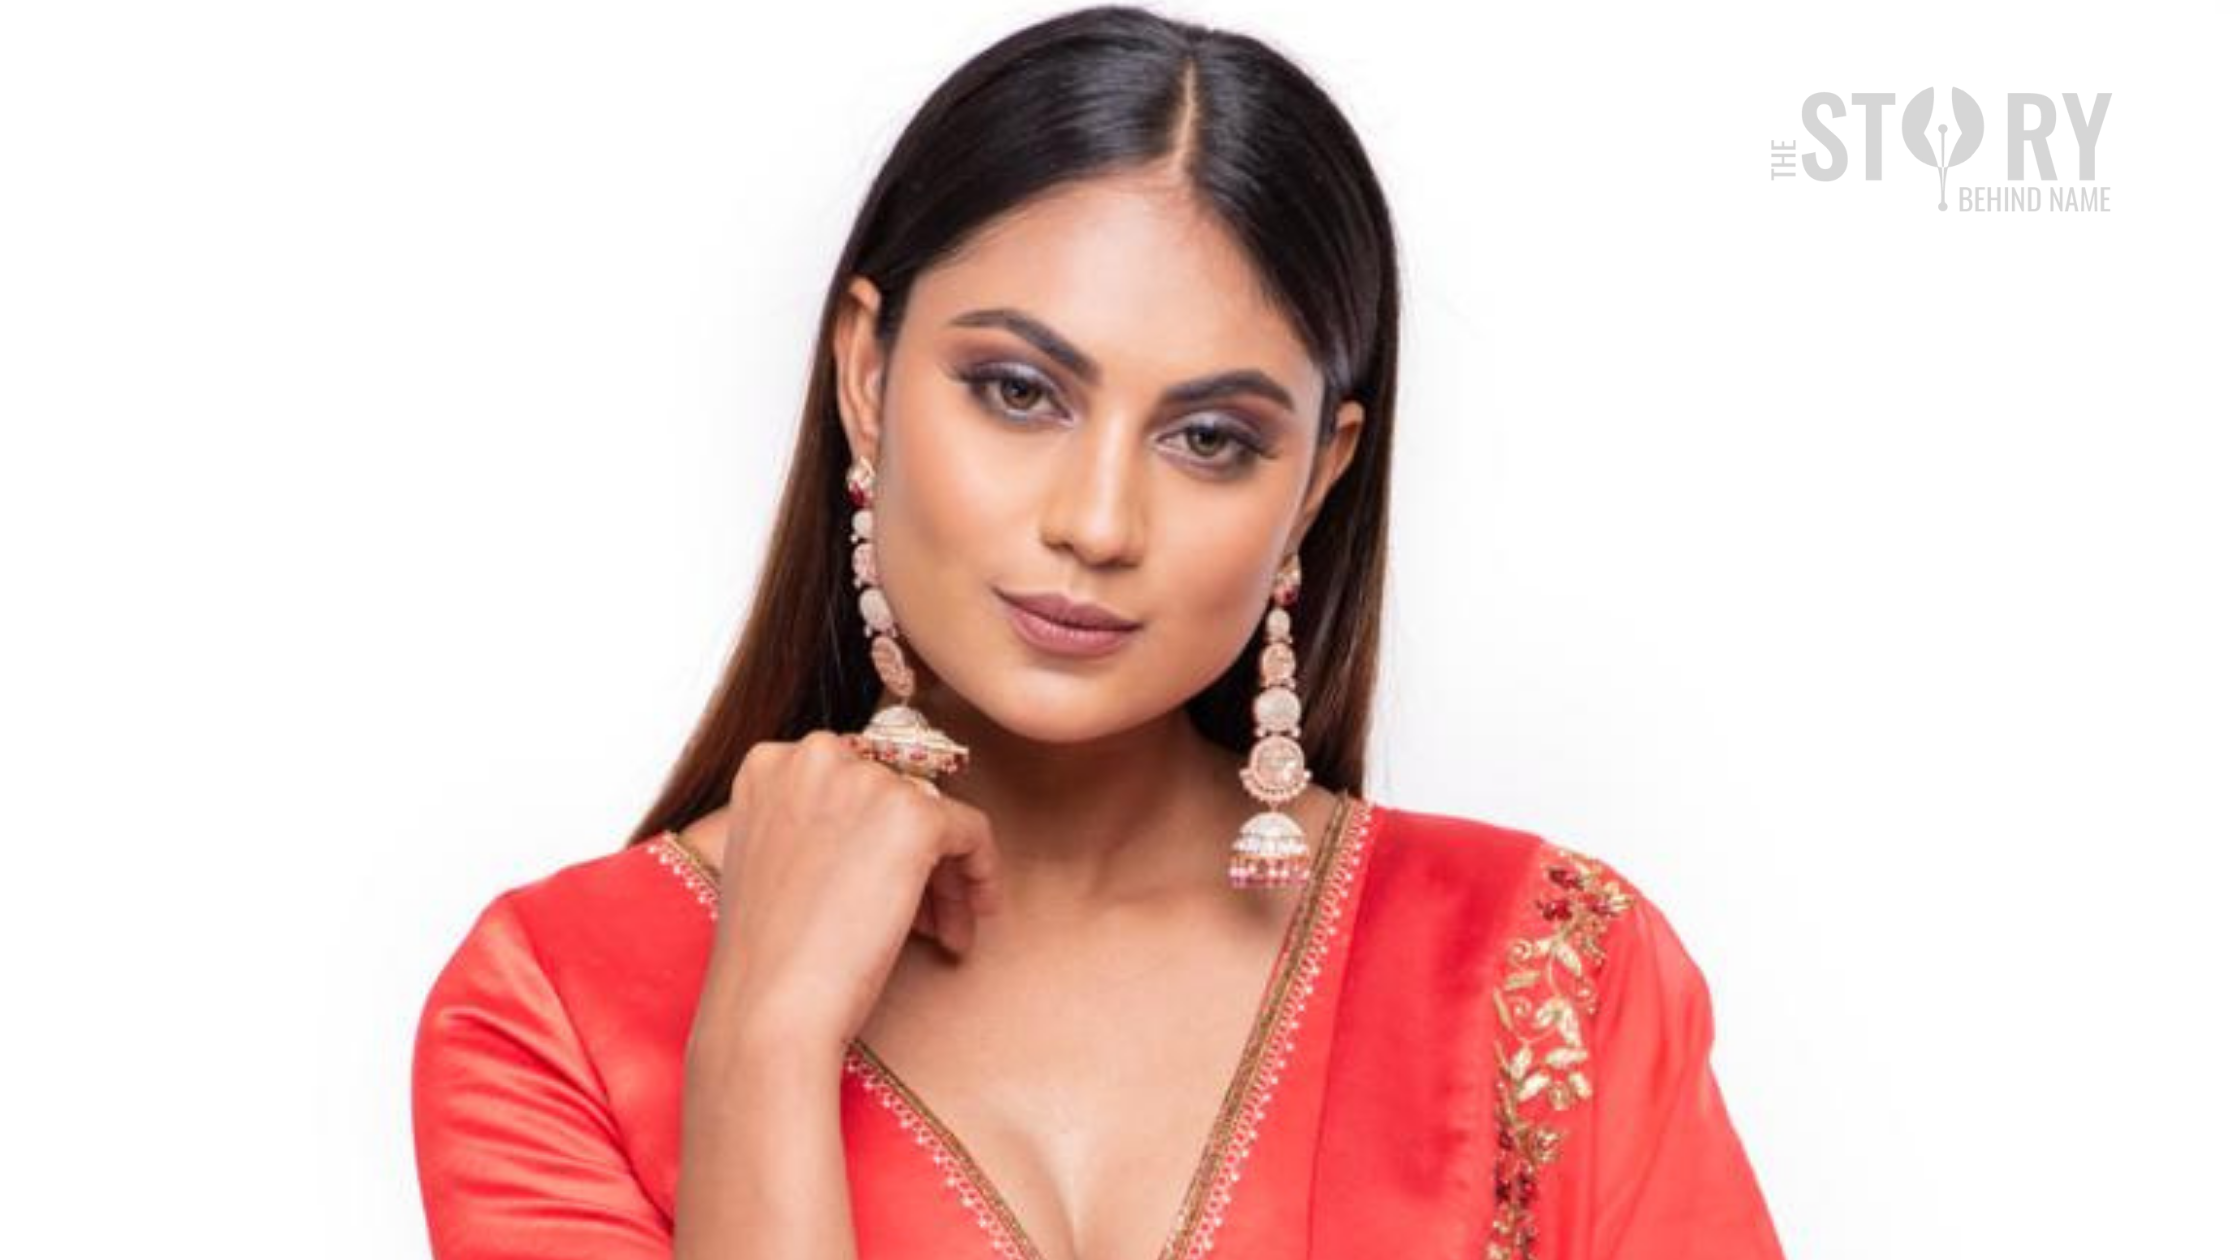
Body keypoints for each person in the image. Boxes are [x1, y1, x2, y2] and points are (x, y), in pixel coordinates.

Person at [409, 7, 1787, 1258]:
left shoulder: (1549, 975)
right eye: (1019, 391)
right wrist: (763, 1042)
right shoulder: (554, 1010)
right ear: (868, 374)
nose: (1099, 520)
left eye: (1210, 437)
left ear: (1316, 478)